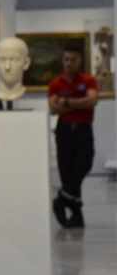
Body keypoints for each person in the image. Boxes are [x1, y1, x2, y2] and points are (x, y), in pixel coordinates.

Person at [49, 44, 97, 228]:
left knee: (85, 163)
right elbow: (54, 109)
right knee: (67, 172)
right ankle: (77, 216)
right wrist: (80, 103)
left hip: (83, 129)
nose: (69, 63)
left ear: (80, 61)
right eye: (66, 59)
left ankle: (61, 199)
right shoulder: (56, 83)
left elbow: (92, 101)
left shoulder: (88, 80)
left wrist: (67, 102)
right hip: (64, 130)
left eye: (73, 59)